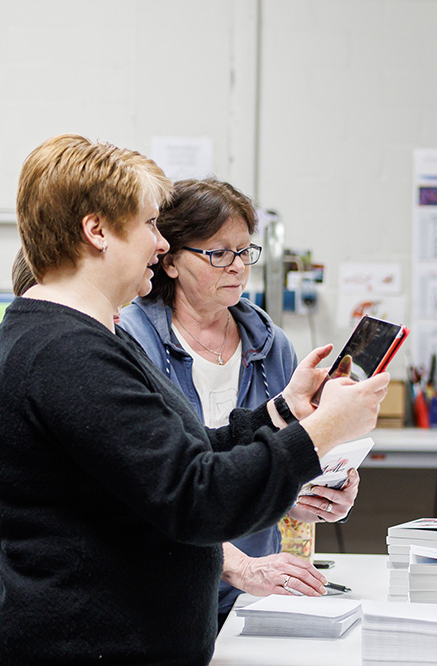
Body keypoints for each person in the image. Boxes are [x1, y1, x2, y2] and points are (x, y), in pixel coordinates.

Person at [0, 134, 389, 663]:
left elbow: (182, 452)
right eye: (148, 225)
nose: (160, 246)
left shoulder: (73, 340)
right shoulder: (68, 353)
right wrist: (323, 432)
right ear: (96, 231)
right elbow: (197, 498)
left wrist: (283, 414)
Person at [117, 178, 353, 627]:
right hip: (164, 594)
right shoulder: (131, 340)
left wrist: (304, 495)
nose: (238, 267)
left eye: (245, 252)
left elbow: (258, 468)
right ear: (169, 261)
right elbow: (153, 491)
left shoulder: (269, 343)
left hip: (256, 596)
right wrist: (240, 566)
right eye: (218, 253)